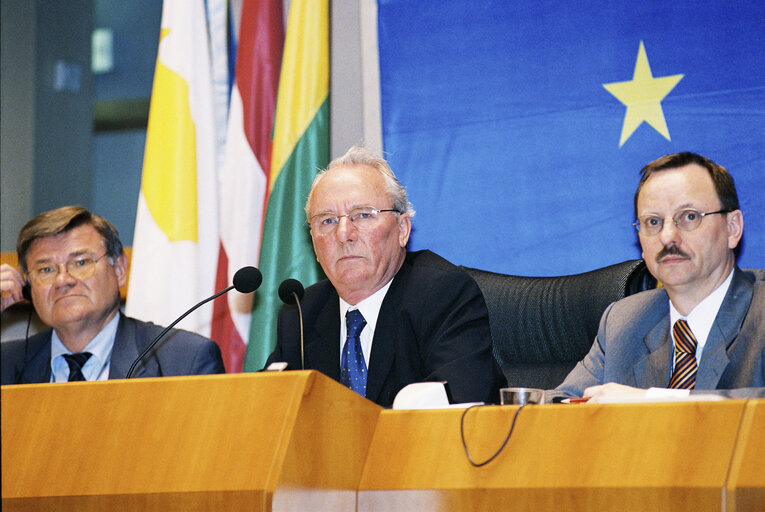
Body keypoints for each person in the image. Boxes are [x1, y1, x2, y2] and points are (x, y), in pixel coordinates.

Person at [265, 146, 506, 407]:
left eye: (363, 215)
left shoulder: (442, 294)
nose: (344, 234)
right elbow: (268, 409)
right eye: (327, 220)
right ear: (314, 243)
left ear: (402, 230)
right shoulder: (301, 313)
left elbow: (456, 408)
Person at [553, 152, 764, 402]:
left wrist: (650, 402)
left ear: (732, 228)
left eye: (689, 217)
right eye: (653, 221)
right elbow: (559, 405)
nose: (667, 237)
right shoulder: (624, 322)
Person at [1, 206, 225, 384]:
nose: (63, 280)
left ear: (119, 270)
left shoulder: (184, 361)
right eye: (46, 270)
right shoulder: (6, 363)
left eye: (81, 263)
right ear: (28, 286)